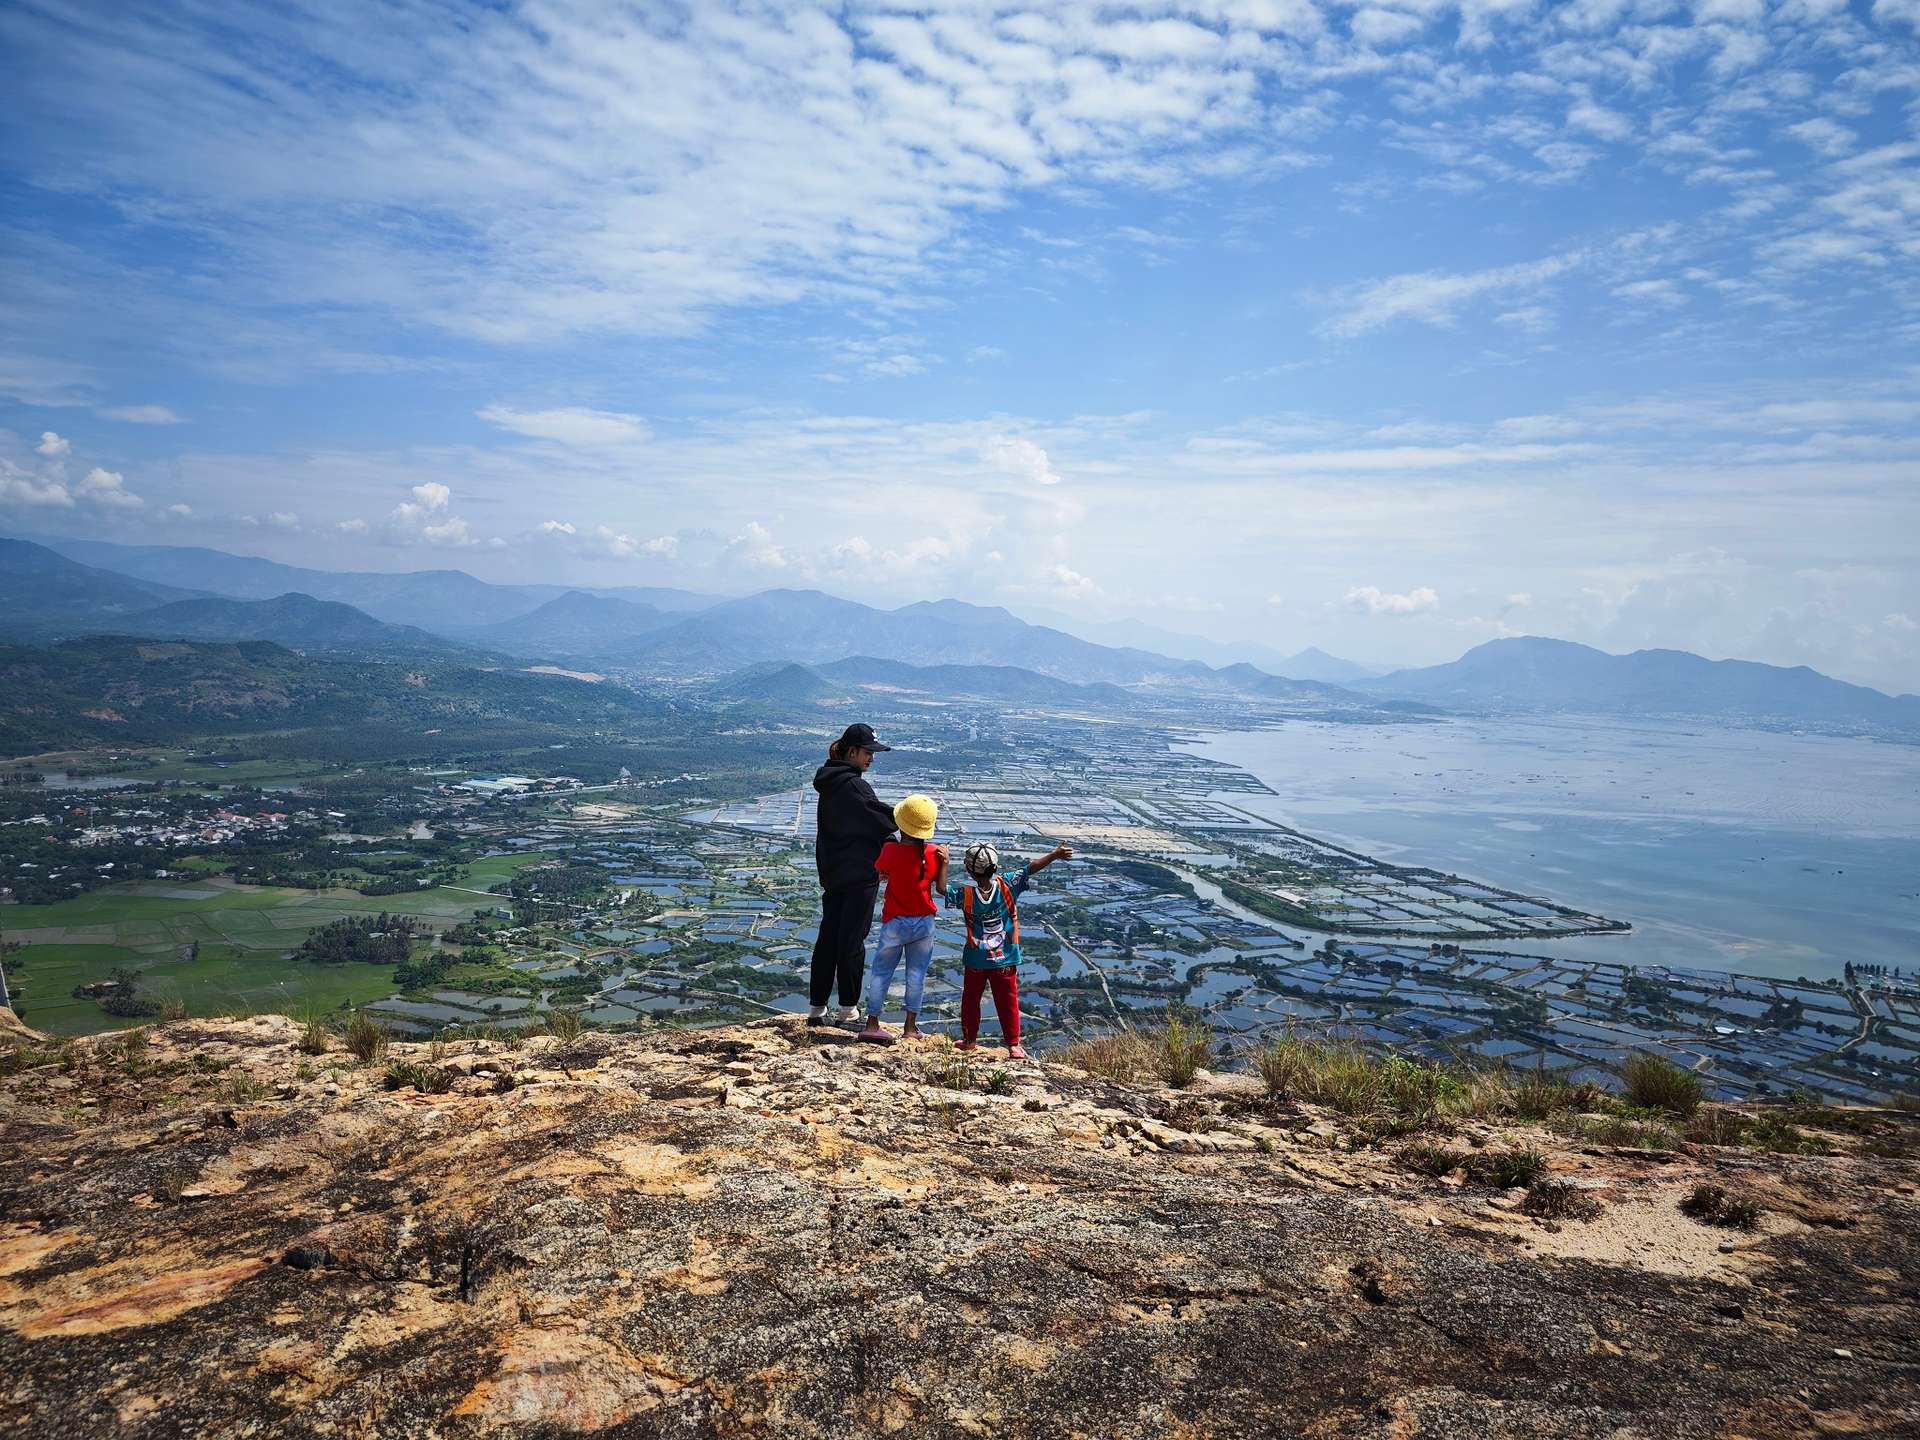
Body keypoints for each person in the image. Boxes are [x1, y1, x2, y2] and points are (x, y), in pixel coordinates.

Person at [945, 839, 1073, 1059]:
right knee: (1008, 1000)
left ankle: (969, 1041)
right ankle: (1014, 1045)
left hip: (976, 960)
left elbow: (940, 888)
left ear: (968, 870)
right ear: (995, 866)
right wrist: (1054, 855)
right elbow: (1030, 868)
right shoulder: (1007, 885)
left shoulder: (965, 894)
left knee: (971, 1000)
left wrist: (943, 862)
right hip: (1005, 958)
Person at [808, 722, 896, 1027]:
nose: (871, 758)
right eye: (868, 752)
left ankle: (817, 1009)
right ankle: (848, 1010)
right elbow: (885, 820)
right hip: (859, 876)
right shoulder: (855, 785)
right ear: (853, 751)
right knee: (852, 943)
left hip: (832, 874)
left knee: (828, 940)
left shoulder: (829, 782)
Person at [858, 794, 946, 1046]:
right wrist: (945, 862)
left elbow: (881, 870)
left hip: (895, 921)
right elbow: (940, 887)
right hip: (924, 923)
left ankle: (872, 1024)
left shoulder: (890, 850)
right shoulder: (934, 853)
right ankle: (910, 1027)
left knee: (881, 972)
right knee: (916, 974)